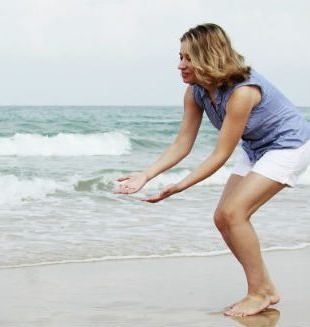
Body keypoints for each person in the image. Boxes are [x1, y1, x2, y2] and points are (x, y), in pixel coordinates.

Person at [116, 23, 310, 317]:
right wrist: (147, 174)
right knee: (222, 217)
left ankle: (259, 293)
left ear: (209, 56)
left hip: (288, 145)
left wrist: (180, 185)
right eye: (179, 56)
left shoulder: (243, 92)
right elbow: (183, 143)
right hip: (255, 147)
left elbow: (220, 154)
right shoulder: (196, 93)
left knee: (235, 213)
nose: (180, 65)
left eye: (187, 58)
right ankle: (265, 288)